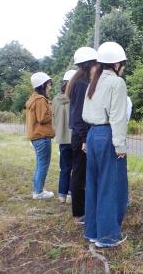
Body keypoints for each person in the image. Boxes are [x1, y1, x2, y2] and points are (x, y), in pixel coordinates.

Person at [82, 41, 128, 248]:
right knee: (110, 186)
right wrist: (120, 147)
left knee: (93, 184)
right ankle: (107, 237)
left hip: (92, 135)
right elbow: (117, 117)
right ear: (117, 63)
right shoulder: (116, 83)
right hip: (107, 135)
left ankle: (92, 231)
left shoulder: (95, 81)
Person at [66, 47, 97, 224]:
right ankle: (78, 214)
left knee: (81, 173)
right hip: (81, 137)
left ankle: (82, 209)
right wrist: (85, 139)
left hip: (81, 135)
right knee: (79, 174)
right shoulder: (81, 85)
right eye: (96, 64)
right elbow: (78, 117)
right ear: (89, 65)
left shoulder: (81, 83)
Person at [25, 72, 55, 199]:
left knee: (40, 164)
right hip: (42, 136)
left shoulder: (33, 98)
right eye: (49, 84)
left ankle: (37, 189)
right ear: (43, 85)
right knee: (43, 164)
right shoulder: (41, 100)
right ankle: (38, 192)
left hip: (36, 136)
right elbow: (42, 118)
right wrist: (52, 112)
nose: (50, 86)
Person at [52, 69, 76, 204]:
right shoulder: (75, 98)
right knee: (76, 168)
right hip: (74, 137)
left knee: (65, 167)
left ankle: (62, 194)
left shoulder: (55, 99)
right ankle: (71, 194)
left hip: (61, 139)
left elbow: (54, 118)